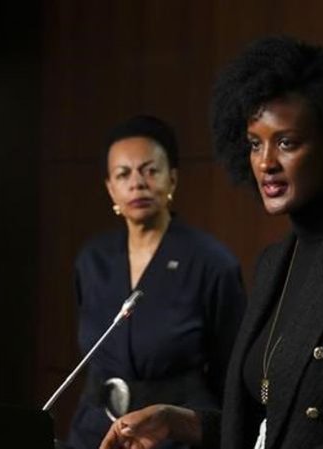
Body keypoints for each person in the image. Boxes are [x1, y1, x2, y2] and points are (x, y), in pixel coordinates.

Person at [100, 36, 323, 449]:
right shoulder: (274, 262)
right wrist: (178, 422)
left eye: (286, 142)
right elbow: (271, 426)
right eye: (255, 144)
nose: (265, 162)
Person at [67, 115, 247, 449]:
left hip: (173, 434)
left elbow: (232, 372)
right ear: (110, 188)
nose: (137, 183)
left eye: (150, 170)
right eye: (123, 174)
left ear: (172, 178)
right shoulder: (92, 259)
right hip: (95, 431)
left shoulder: (211, 261)